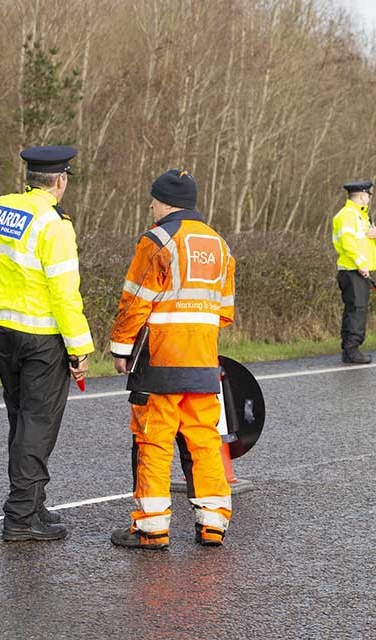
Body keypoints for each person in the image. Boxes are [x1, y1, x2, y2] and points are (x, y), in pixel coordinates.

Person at [0, 145, 94, 541]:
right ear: (61, 180)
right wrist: (79, 348)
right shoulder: (54, 224)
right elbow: (65, 292)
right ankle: (20, 517)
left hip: (4, 333)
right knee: (37, 424)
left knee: (21, 420)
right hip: (43, 339)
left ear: (29, 178)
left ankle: (32, 503)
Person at [109, 169, 235, 549]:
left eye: (153, 199)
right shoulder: (220, 245)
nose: (150, 206)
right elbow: (225, 312)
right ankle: (213, 524)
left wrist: (121, 347)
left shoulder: (158, 239)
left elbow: (135, 299)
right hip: (202, 358)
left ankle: (151, 528)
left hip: (160, 358)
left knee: (154, 439)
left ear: (165, 202)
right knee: (203, 440)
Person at [332, 180, 376, 364]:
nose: (369, 199)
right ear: (363, 196)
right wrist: (360, 263)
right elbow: (348, 243)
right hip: (353, 270)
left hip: (359, 270)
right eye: (368, 196)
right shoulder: (348, 215)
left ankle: (349, 350)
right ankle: (351, 350)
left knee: (355, 310)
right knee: (357, 310)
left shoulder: (363, 216)